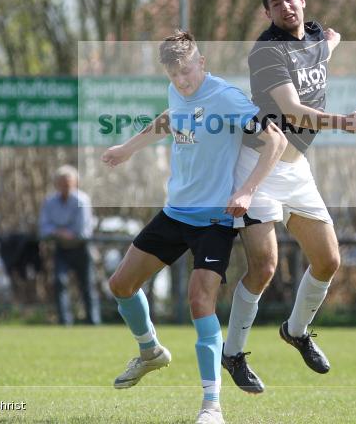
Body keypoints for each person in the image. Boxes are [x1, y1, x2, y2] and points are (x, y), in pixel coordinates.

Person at [102, 31, 286, 424]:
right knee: (120, 285)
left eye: (187, 72)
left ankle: (211, 407)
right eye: (174, 76)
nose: (182, 81)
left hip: (215, 220)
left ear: (201, 62)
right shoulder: (176, 93)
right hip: (175, 213)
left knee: (199, 301)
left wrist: (248, 191)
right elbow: (168, 121)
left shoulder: (226, 97)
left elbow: (276, 140)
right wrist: (126, 149)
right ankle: (150, 351)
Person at [221, 0, 356, 394]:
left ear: (303, 1)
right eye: (276, 3)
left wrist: (332, 44)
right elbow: (292, 110)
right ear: (267, 14)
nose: (285, 7)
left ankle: (296, 330)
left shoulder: (316, 34)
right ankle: (232, 353)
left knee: (328, 261)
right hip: (258, 167)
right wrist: (345, 122)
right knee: (264, 268)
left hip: (298, 169)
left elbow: (319, 47)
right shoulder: (266, 51)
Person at [39, 165, 101, 325]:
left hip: (82, 248)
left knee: (87, 286)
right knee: (60, 282)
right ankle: (64, 322)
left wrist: (60, 231)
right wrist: (60, 233)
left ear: (75, 183)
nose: (65, 186)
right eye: (62, 182)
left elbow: (81, 231)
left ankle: (93, 322)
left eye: (68, 182)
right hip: (61, 248)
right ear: (56, 184)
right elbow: (44, 227)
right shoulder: (50, 202)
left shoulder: (82, 200)